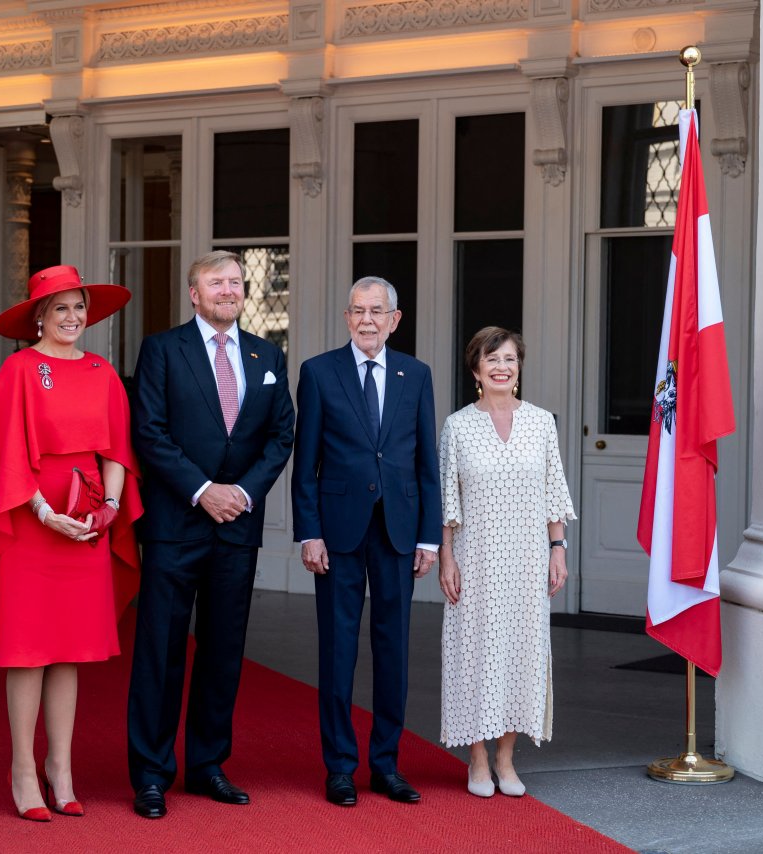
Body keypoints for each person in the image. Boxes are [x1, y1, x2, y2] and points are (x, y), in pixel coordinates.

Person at [0, 265, 142, 822]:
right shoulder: (20, 369)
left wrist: (107, 510)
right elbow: (5, 458)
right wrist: (44, 512)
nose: (73, 317)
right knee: (28, 651)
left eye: (79, 307)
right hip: (33, 524)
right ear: (39, 316)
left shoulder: (103, 371)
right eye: (60, 308)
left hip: (86, 525)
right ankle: (23, 772)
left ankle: (62, 768)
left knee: (71, 652)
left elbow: (118, 455)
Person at [127, 250, 295, 819]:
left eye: (235, 283)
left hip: (236, 527)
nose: (228, 290)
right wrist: (204, 490)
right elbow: (147, 432)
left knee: (223, 651)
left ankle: (206, 766)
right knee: (161, 650)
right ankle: (151, 773)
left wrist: (242, 493)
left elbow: (281, 436)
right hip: (177, 523)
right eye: (215, 283)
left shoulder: (266, 354)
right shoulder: (161, 350)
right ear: (193, 295)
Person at [292, 275, 442, 808]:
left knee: (392, 651)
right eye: (358, 311)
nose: (367, 321)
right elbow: (304, 463)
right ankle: (339, 767)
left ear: (394, 319)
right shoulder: (317, 373)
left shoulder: (416, 374)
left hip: (399, 531)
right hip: (337, 531)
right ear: (347, 317)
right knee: (337, 650)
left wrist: (430, 538)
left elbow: (428, 462)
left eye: (377, 311)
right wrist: (308, 531)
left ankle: (386, 765)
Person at [436, 326, 576, 798]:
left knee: (521, 654)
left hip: (526, 560)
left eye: (510, 359)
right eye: (492, 359)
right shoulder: (458, 425)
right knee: (473, 655)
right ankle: (476, 757)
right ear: (476, 369)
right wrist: (446, 558)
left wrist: (558, 549)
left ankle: (506, 758)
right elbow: (446, 501)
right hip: (474, 560)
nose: (502, 367)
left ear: (519, 368)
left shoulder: (541, 423)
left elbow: (553, 492)